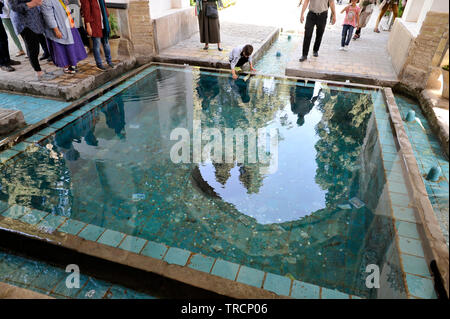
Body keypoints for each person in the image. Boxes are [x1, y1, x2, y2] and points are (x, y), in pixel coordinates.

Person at [9, 0, 55, 80]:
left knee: (36, 47)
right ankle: (38, 73)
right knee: (32, 48)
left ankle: (39, 70)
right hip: (25, 23)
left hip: (34, 20)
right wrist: (30, 4)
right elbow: (14, 7)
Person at [41, 0, 87, 74]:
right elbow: (48, 17)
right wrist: (56, 30)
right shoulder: (46, 2)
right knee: (62, 48)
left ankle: (73, 64)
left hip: (68, 25)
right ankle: (66, 66)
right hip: (59, 28)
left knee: (71, 46)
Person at [80, 0, 114, 71]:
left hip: (103, 23)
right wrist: (88, 26)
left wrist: (107, 21)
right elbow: (86, 11)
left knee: (106, 42)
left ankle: (109, 61)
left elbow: (104, 8)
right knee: (97, 44)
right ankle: (99, 64)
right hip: (94, 24)